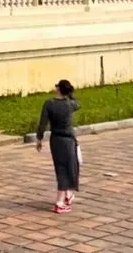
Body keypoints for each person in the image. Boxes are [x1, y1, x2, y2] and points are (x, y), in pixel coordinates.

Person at [36, 79, 81, 214]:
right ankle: (60, 201)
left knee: (60, 167)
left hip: (55, 140)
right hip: (68, 140)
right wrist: (71, 94)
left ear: (58, 89)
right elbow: (78, 104)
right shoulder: (70, 104)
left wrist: (39, 138)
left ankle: (67, 194)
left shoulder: (49, 104)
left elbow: (43, 123)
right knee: (69, 168)